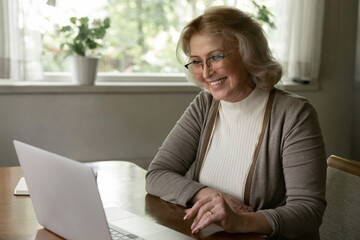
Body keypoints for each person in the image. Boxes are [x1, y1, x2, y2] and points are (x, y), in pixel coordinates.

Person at [145, 6, 327, 240]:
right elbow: (157, 174)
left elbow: (309, 211)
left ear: (247, 53)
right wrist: (208, 195)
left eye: (216, 57)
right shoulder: (205, 105)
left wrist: (241, 220)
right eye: (197, 61)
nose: (206, 72)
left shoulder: (294, 114)